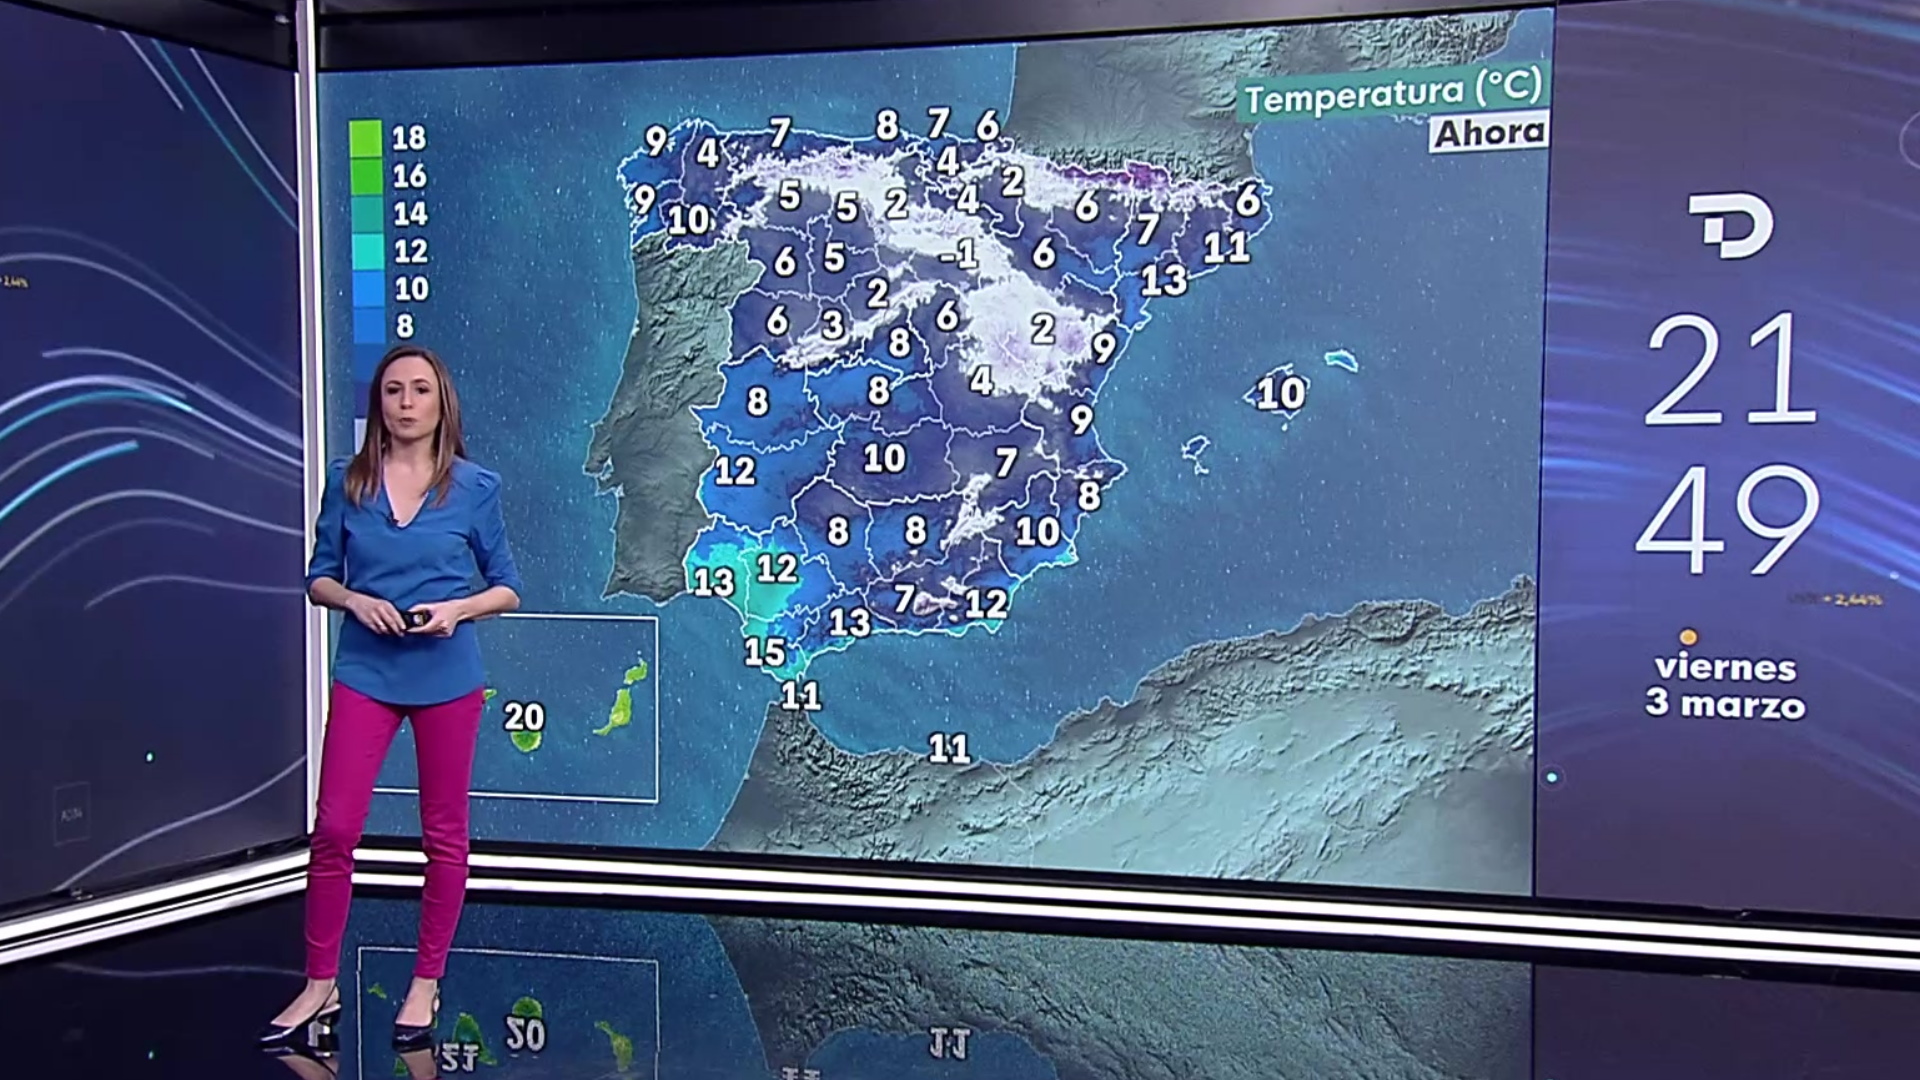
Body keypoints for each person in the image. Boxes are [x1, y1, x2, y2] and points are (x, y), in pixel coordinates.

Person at [259, 345, 522, 1053]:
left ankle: (425, 983)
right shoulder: (348, 483)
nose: (406, 402)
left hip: (447, 677)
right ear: (379, 402)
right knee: (335, 828)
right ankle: (320, 984)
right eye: (394, 390)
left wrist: (458, 610)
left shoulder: (475, 488)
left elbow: (507, 585)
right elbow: (318, 578)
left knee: (443, 836)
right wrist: (353, 599)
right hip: (367, 673)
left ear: (442, 403)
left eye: (420, 390)